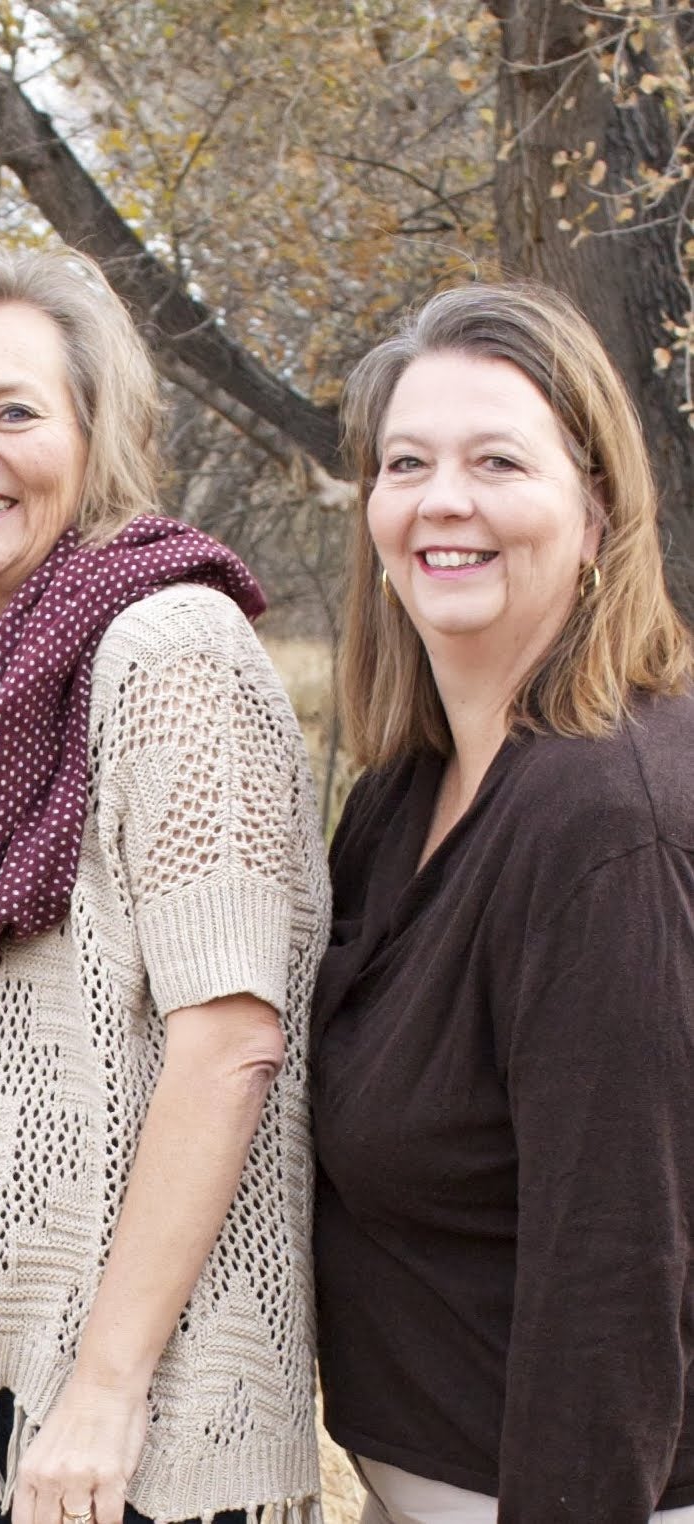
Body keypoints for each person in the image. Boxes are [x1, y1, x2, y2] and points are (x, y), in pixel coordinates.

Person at [0, 246, 330, 1524]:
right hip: (0, 1390)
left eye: (12, 412)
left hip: (136, 1422)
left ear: (91, 431)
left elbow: (229, 1040)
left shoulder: (167, 648)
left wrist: (104, 1391)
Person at [314, 282, 694, 1523]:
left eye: (496, 462)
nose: (441, 502)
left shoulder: (605, 823)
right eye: (405, 462)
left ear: (593, 513)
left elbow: (616, 1264)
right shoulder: (405, 791)